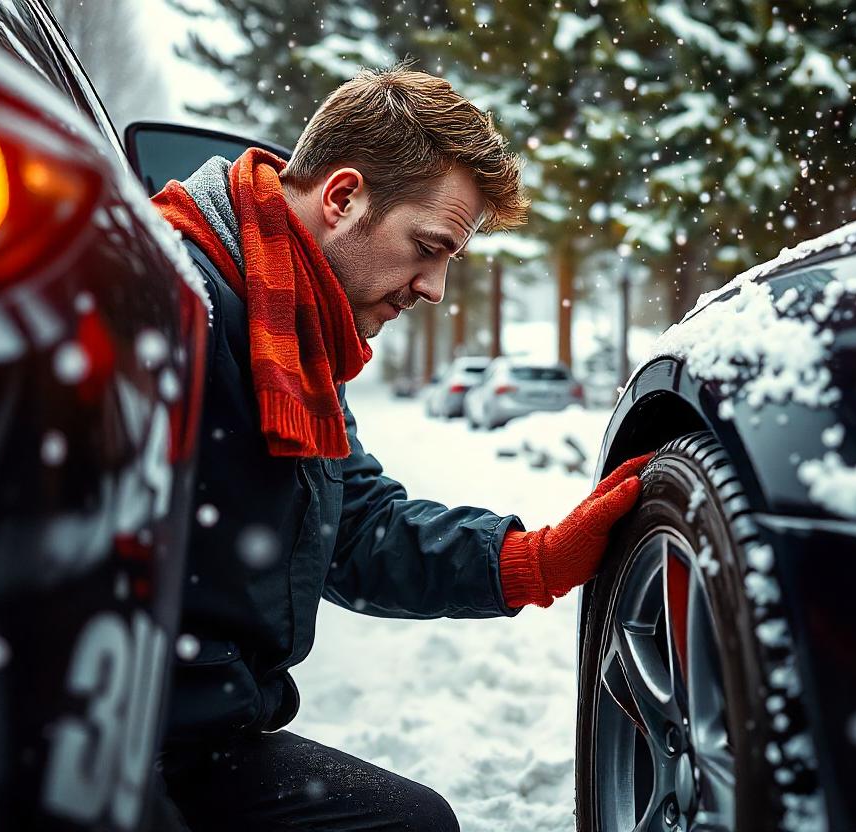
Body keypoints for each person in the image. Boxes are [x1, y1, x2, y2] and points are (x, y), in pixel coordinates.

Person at [149, 66, 650, 831]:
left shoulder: (295, 329)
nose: (435, 289)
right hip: (109, 742)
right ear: (343, 198)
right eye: (430, 246)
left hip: (199, 741)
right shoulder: (172, 308)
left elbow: (348, 526)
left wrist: (530, 562)